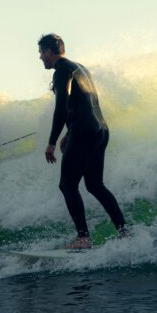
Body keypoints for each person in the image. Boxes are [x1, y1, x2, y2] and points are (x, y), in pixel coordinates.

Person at [38, 34, 127, 249]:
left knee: (67, 185)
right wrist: (69, 133)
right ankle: (124, 232)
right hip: (100, 129)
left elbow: (61, 107)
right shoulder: (79, 68)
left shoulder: (61, 72)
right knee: (95, 185)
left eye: (41, 53)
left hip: (84, 132)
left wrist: (51, 142)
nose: (40, 58)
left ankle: (83, 238)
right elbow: (85, 102)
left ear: (49, 52)